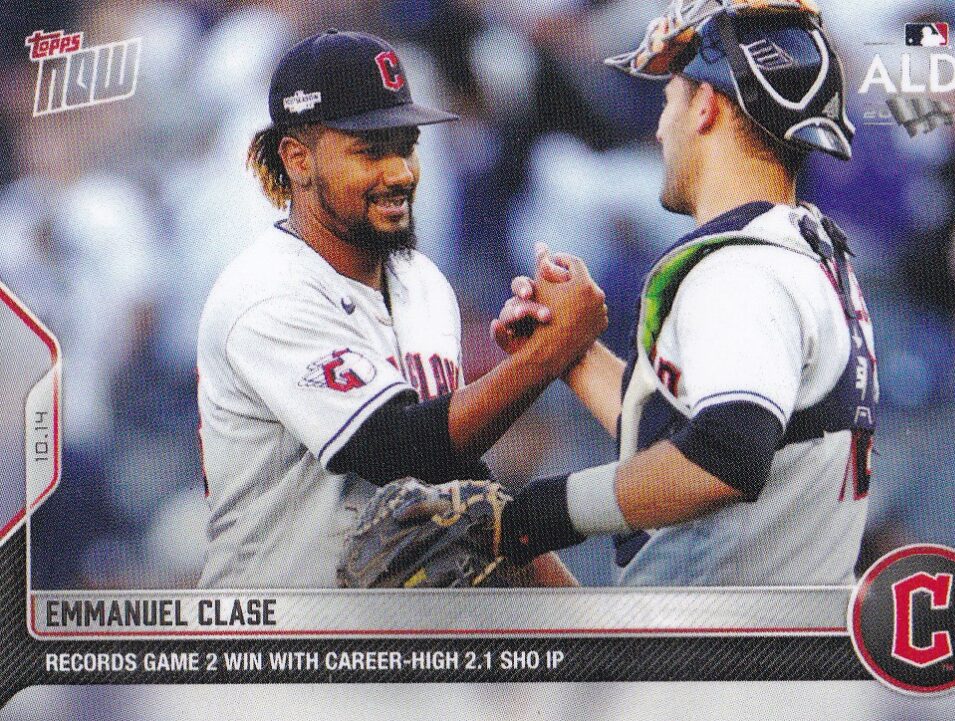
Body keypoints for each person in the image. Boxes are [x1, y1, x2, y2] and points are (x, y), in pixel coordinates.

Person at [196, 30, 605, 588]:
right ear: (297, 159)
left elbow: (458, 484)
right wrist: (551, 352)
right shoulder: (267, 292)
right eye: (369, 151)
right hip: (278, 629)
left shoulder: (421, 281)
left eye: (406, 146)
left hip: (388, 633)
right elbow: (398, 451)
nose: (400, 173)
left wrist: (580, 619)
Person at [492, 0, 879, 586]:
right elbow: (681, 439)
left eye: (668, 99)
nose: (658, 128)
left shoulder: (744, 271)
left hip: (731, 637)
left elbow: (723, 459)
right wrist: (571, 352)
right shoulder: (799, 251)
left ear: (705, 106)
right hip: (771, 623)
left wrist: (535, 514)